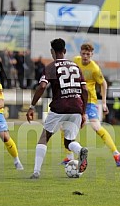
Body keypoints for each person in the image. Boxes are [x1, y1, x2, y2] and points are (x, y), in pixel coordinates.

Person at [26, 38, 89, 179]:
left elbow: (42, 86)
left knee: (44, 137)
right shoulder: (76, 67)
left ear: (52, 52)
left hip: (59, 107)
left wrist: (32, 106)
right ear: (65, 51)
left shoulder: (51, 67)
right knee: (69, 141)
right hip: (76, 107)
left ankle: (36, 172)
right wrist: (83, 112)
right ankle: (80, 150)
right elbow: (85, 90)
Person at [62, 43, 120, 167]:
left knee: (96, 127)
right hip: (77, 100)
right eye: (83, 54)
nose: (85, 56)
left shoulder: (94, 68)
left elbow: (103, 84)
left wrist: (104, 103)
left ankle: (116, 154)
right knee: (65, 128)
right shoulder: (75, 61)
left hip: (90, 102)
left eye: (88, 54)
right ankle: (69, 157)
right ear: (80, 53)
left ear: (92, 55)